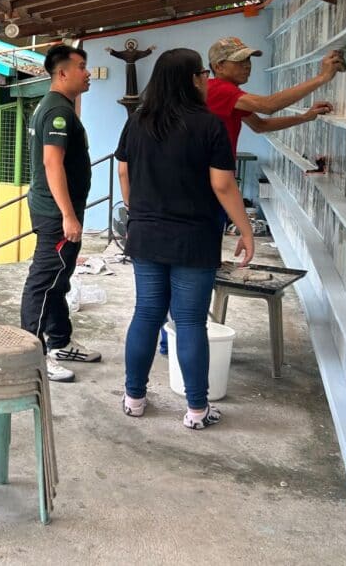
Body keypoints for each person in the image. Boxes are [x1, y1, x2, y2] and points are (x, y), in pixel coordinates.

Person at [116, 49, 255, 430]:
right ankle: (196, 409)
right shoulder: (208, 125)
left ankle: (134, 398)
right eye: (202, 75)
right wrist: (245, 229)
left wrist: (140, 212)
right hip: (194, 237)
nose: (205, 82)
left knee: (146, 314)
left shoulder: (137, 121)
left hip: (145, 235)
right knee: (191, 321)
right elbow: (223, 184)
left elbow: (124, 172)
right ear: (193, 79)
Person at [21, 43, 98, 384]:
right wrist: (68, 215)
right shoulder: (58, 111)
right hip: (55, 213)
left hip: (54, 209)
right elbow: (53, 164)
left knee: (59, 279)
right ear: (62, 72)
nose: (88, 72)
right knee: (44, 279)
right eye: (82, 66)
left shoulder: (55, 106)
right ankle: (30, 354)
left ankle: (60, 340)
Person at [206, 36, 344, 152]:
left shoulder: (228, 94)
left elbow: (260, 125)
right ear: (219, 67)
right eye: (239, 61)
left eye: (248, 59)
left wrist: (305, 117)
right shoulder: (217, 89)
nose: (247, 65)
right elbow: (268, 106)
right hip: (210, 177)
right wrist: (322, 77)